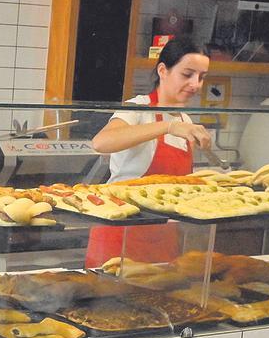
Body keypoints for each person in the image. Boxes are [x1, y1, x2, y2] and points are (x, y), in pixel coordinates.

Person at [85, 37, 212, 267]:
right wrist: (168, 126)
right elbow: (101, 142)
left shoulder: (185, 120)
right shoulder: (137, 109)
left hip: (163, 237)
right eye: (187, 74)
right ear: (163, 70)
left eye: (201, 77)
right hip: (121, 237)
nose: (196, 84)